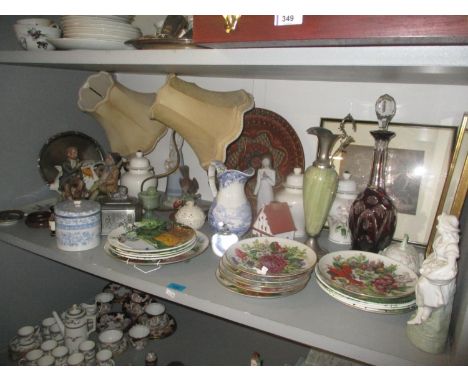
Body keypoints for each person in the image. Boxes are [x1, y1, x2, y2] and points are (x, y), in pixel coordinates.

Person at [408, 213, 460, 325]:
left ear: (446, 228)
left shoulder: (451, 246)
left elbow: (450, 266)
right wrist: (428, 263)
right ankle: (419, 315)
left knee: (424, 286)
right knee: (420, 285)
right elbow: (435, 255)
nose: (437, 227)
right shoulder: (440, 239)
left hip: (441, 273)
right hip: (433, 266)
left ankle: (425, 314)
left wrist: (435, 272)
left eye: (439, 225)